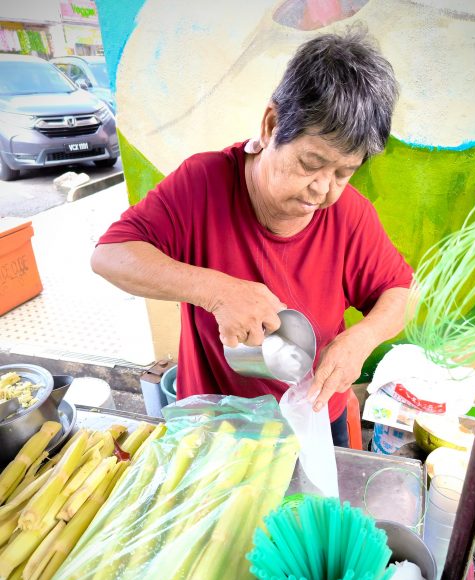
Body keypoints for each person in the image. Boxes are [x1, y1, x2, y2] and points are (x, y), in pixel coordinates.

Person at [91, 27, 413, 447]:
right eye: (311, 163)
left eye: (343, 172)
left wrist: (362, 339)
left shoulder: (350, 215)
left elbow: (400, 291)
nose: (323, 189)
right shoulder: (203, 184)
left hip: (312, 419)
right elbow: (109, 255)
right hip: (217, 427)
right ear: (271, 124)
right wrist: (215, 291)